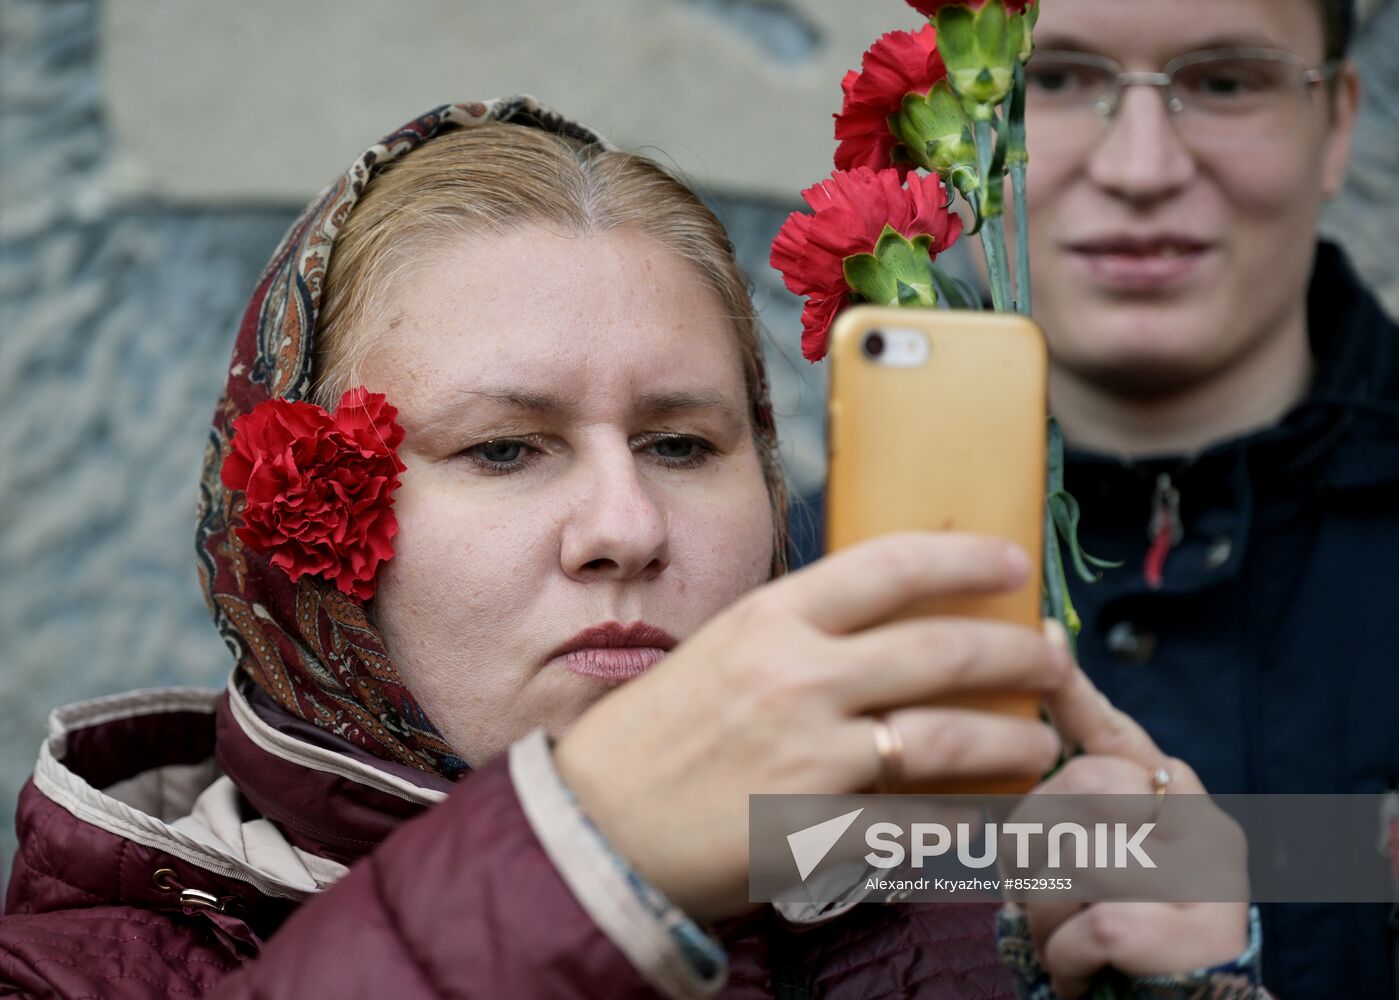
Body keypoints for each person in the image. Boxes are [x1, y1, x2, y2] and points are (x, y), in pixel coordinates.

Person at [0, 99, 1254, 999]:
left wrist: (1168, 984)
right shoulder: (63, 971)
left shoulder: (969, 920)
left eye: (680, 445)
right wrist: (585, 857)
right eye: (503, 448)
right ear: (306, 542)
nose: (625, 530)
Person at [797, 0, 1395, 995]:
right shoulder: (783, 599)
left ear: (1335, 121)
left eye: (1223, 81)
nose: (1141, 169)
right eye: (1056, 78)